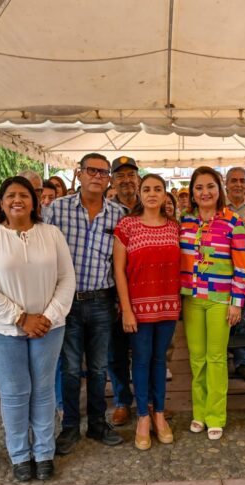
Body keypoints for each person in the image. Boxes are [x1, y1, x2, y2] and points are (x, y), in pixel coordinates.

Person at [0, 176, 75, 481]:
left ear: (35, 200)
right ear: (1, 203)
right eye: (10, 196)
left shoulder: (52, 234)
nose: (17, 200)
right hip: (2, 330)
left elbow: (67, 279)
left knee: (43, 391)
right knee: (15, 393)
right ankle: (19, 455)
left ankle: (44, 452)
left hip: (49, 327)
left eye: (24, 195)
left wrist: (48, 316)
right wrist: (20, 318)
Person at [45, 153, 126, 454]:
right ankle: (69, 428)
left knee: (98, 367)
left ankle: (97, 424)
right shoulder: (57, 210)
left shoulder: (118, 214)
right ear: (78, 174)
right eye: (91, 170)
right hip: (67, 302)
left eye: (103, 173)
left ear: (109, 179)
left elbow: (121, 264)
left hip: (102, 301)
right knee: (68, 368)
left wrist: (119, 300)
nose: (97, 176)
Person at [180, 166, 245, 440]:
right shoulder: (185, 222)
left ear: (219, 190)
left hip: (221, 299)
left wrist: (236, 302)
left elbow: (242, 266)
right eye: (199, 187)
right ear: (193, 193)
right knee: (197, 360)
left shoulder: (234, 222)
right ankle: (199, 412)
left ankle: (216, 415)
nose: (205, 192)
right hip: (191, 298)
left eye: (210, 186)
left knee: (217, 358)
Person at [113, 174, 180, 450]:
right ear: (139, 194)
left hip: (168, 305)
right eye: (147, 189)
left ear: (166, 195)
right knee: (140, 361)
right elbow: (118, 270)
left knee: (159, 362)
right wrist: (126, 310)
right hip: (138, 308)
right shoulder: (127, 225)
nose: (152, 193)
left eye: (158, 189)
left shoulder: (175, 227)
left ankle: (159, 413)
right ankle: (142, 416)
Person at [107, 156, 141, 426]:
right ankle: (121, 401)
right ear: (112, 181)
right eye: (120, 176)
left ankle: (147, 399)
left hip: (145, 291)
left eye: (131, 175)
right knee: (115, 351)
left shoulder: (150, 207)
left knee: (145, 351)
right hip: (112, 293)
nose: (127, 180)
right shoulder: (107, 210)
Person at [223, 167, 245, 381]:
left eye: (241, 180)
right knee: (224, 320)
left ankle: (242, 362)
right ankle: (221, 359)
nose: (237, 184)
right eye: (233, 180)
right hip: (222, 274)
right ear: (225, 184)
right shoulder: (218, 208)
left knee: (243, 321)